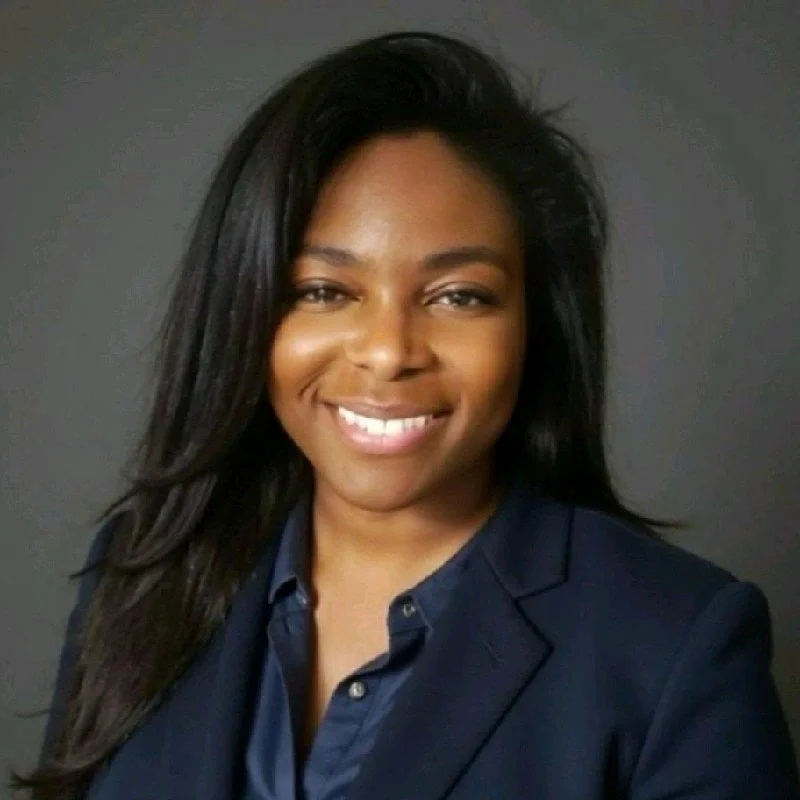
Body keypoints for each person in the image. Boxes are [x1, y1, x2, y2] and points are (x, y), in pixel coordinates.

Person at [13, 31, 798, 800]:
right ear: (248, 311)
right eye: (324, 291)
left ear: (536, 326)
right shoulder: (143, 576)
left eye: (459, 296)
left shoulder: (674, 643)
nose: (388, 352)